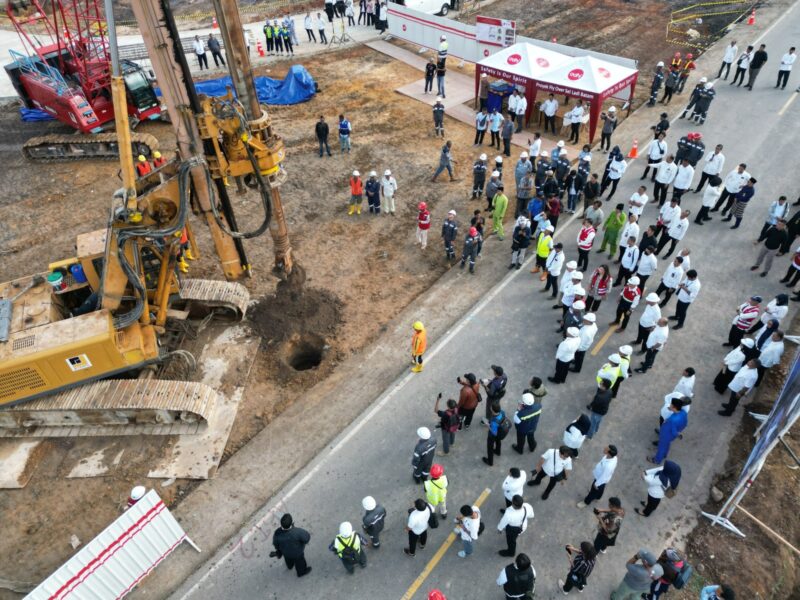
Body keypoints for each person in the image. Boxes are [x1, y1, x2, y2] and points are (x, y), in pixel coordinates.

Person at [650, 398, 687, 464]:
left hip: (666, 434)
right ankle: (664, 454)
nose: (669, 406)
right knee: (667, 444)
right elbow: (685, 423)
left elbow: (674, 432)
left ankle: (657, 460)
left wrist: (678, 435)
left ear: (674, 407)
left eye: (671, 405)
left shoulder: (672, 420)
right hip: (670, 435)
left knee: (661, 446)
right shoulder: (683, 412)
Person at [482, 401, 507, 466]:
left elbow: (494, 433)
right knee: (498, 441)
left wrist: (488, 425)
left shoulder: (494, 422)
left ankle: (490, 462)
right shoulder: (502, 412)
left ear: (492, 410)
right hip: (500, 431)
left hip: (493, 435)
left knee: (490, 448)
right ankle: (498, 451)